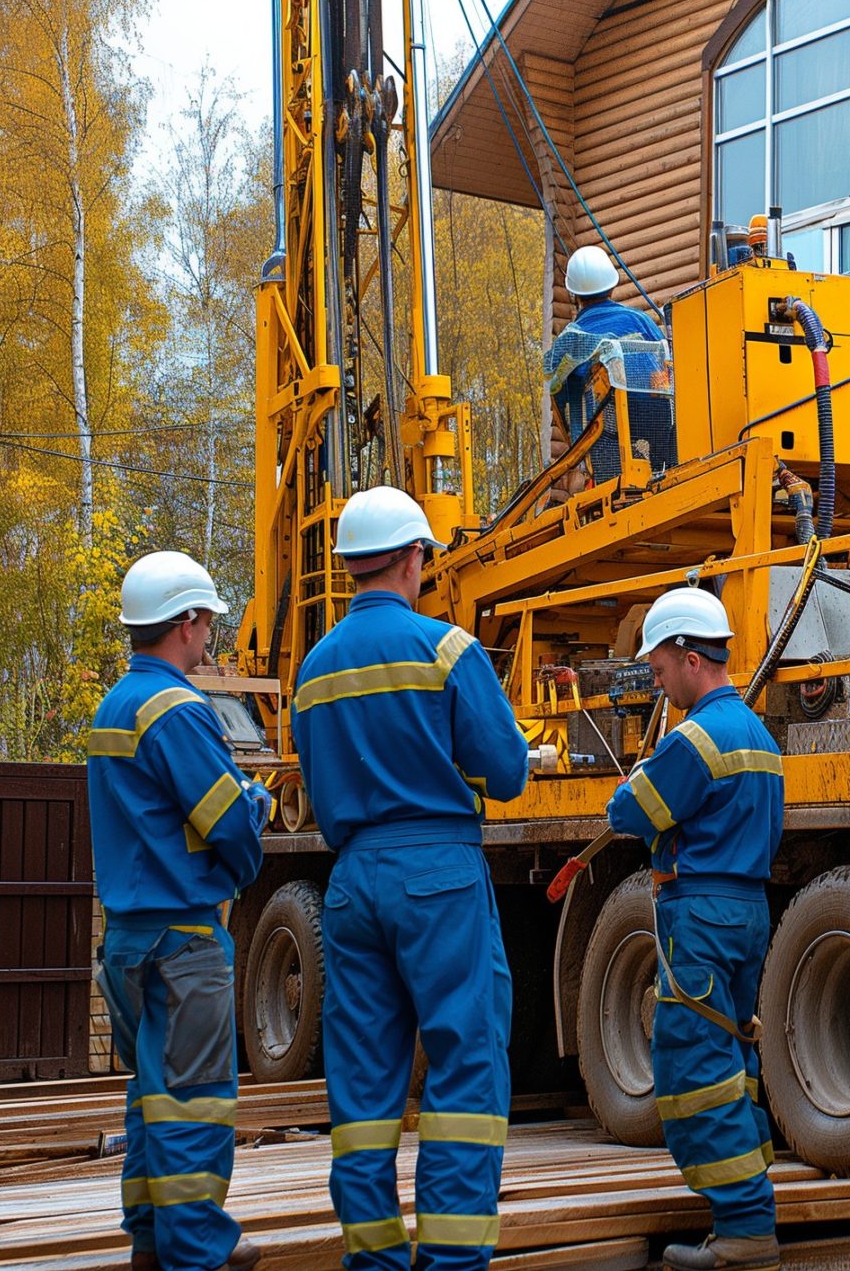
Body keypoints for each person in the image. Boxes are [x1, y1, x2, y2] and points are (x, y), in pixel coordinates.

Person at [293, 486, 530, 1269]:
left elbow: (320, 788)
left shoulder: (314, 670)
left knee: (361, 1088)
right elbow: (505, 773)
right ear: (414, 557)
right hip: (437, 875)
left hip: (353, 880)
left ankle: (374, 1258)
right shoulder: (446, 649)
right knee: (464, 1068)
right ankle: (454, 1260)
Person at [87, 551, 272, 1271]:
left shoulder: (115, 707)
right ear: (186, 623)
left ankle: (150, 1236)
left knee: (153, 1094)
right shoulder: (179, 711)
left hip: (128, 940)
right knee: (194, 1098)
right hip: (184, 939)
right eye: (208, 624)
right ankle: (197, 1249)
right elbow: (226, 819)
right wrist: (251, 831)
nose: (212, 639)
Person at [604, 587, 786, 1271]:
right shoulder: (760, 738)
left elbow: (632, 812)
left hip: (701, 916)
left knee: (693, 1070)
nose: (658, 683)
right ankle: (747, 1211)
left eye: (658, 671)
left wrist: (632, 789)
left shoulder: (695, 739)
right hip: (747, 912)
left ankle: (745, 1226)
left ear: (689, 658)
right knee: (734, 1065)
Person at [544, 244, 665, 478]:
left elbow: (559, 398)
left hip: (605, 432)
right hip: (655, 420)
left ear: (574, 295)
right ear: (612, 287)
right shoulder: (641, 321)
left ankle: (606, 477)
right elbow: (666, 366)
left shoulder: (570, 339)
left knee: (599, 428)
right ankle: (665, 468)